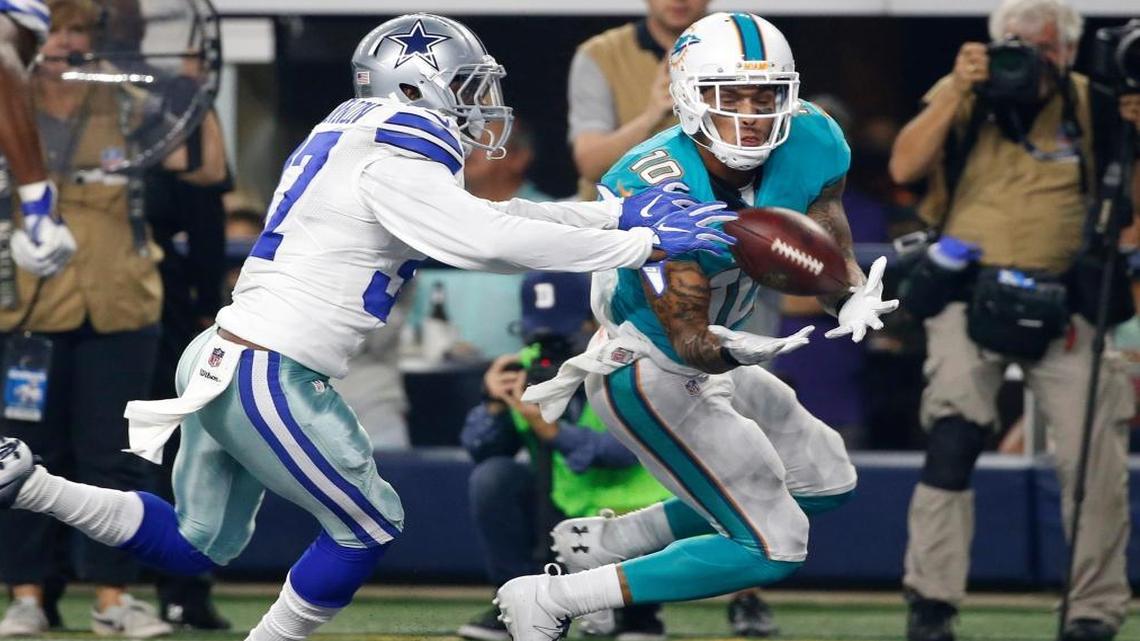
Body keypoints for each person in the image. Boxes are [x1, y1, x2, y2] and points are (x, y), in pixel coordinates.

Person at [0, 12, 735, 641]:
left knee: (198, 544)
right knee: (369, 525)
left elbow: (494, 218)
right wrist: (639, 243)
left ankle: (28, 483)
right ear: (414, 87)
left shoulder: (358, 133)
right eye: (466, 85)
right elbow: (485, 242)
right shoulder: (400, 146)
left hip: (224, 354)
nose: (480, 104)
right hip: (271, 371)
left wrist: (613, 214)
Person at [497, 13, 897, 641]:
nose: (750, 115)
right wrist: (729, 349)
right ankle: (553, 598)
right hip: (650, 368)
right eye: (728, 96)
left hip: (722, 354)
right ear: (687, 95)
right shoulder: (651, 183)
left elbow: (824, 235)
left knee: (827, 481)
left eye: (764, 96)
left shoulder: (813, 136)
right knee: (775, 546)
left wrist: (845, 294)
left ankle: (608, 542)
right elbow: (689, 337)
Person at [887, 1, 1140, 640]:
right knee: (952, 437)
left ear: (1070, 50)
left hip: (1067, 300)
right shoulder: (965, 92)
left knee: (1095, 458)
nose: (1032, 59)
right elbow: (903, 167)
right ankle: (931, 601)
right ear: (995, 42)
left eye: (1047, 47)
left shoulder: (1097, 104)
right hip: (967, 294)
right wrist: (956, 88)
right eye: (1018, 45)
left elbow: (1131, 210)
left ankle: (1092, 610)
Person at [458, 272, 672, 641]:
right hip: (560, 508)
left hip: (628, 513)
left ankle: (637, 616)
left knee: (646, 523)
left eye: (562, 334)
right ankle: (518, 604)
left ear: (594, 320)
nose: (550, 348)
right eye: (539, 336)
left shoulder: (628, 360)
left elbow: (628, 450)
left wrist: (554, 433)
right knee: (493, 477)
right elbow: (482, 450)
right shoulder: (523, 367)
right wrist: (493, 404)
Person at [568, 0, 707, 200]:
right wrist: (651, 116)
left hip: (714, 208)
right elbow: (590, 164)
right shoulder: (600, 54)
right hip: (614, 212)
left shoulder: (740, 51)